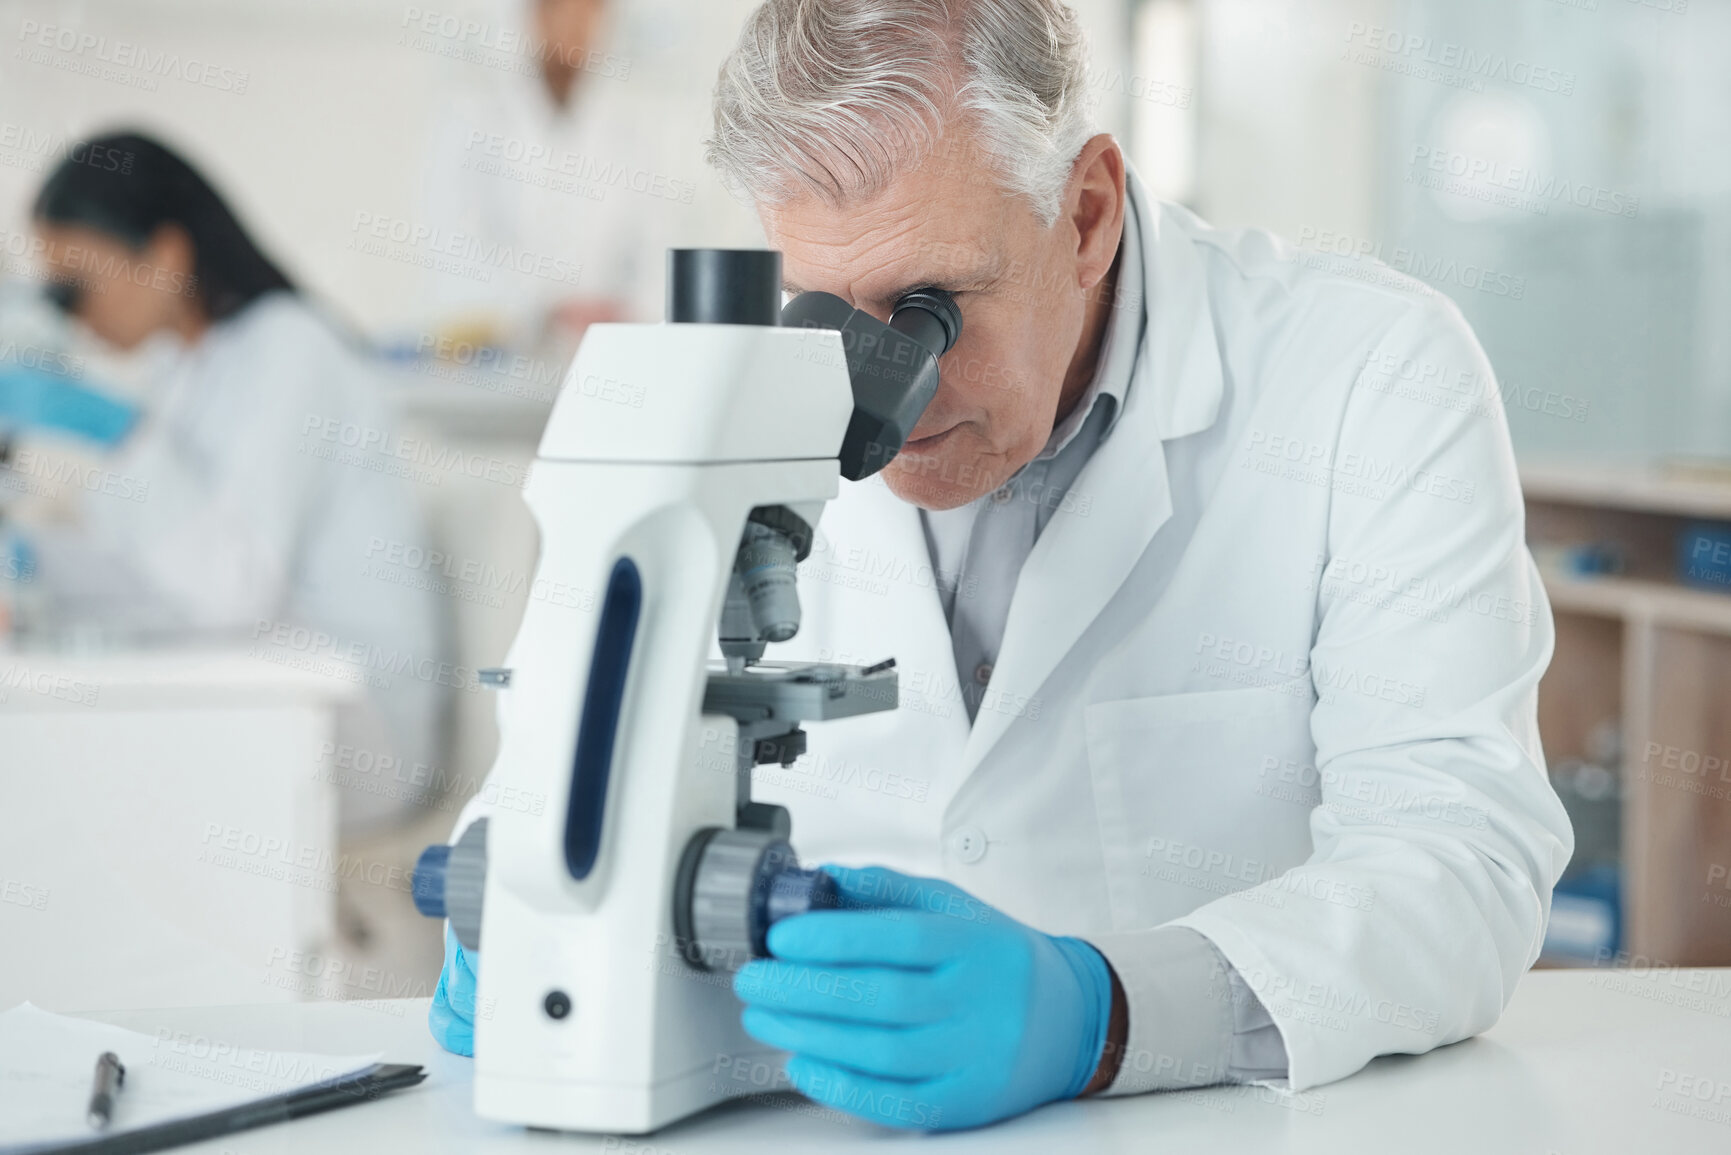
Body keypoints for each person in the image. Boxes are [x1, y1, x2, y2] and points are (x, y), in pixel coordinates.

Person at [430, 0, 1574, 1131]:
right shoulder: (699, 406)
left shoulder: (1369, 375)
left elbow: (1460, 861)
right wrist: (527, 920)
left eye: (931, 311)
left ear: (1084, 214)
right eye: (824, 309)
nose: (881, 398)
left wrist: (1105, 1014)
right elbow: (539, 796)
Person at [23, 131, 444, 829]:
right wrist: (35, 562)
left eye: (77, 285)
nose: (71, 313)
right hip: (262, 682)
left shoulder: (290, 349)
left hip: (357, 724)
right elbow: (149, 573)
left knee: (81, 790)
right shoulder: (180, 370)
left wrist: (125, 435)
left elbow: (229, 590)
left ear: (164, 255)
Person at [419, 0, 677, 356]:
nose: (575, 25)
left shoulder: (632, 128)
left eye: (590, 10)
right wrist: (545, 310)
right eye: (557, 8)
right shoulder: (472, 119)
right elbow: (451, 249)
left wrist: (623, 310)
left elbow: (659, 253)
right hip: (497, 361)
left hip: (608, 353)